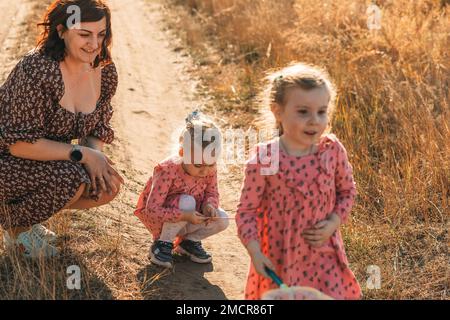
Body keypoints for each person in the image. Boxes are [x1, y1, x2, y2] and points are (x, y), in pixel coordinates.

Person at [0, 0, 123, 258]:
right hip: (7, 158)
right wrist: (84, 156)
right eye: (84, 34)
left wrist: (94, 160)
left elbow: (97, 126)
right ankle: (16, 231)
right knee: (70, 176)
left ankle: (26, 223)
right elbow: (19, 144)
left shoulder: (105, 71)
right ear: (61, 31)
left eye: (101, 34)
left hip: (45, 161)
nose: (94, 44)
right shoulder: (39, 70)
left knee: (106, 186)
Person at [235, 62, 361, 299]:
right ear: (278, 111)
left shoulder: (331, 150)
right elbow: (246, 212)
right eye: (303, 112)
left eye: (322, 111)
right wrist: (255, 252)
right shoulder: (266, 158)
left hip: (324, 255)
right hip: (280, 258)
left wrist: (333, 222)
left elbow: (347, 191)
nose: (314, 120)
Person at [134, 111, 229, 268]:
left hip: (190, 216)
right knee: (187, 201)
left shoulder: (208, 168)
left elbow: (212, 192)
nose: (205, 171)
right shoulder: (167, 170)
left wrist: (209, 205)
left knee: (222, 218)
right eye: (199, 165)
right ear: (182, 153)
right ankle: (162, 243)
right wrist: (184, 215)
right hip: (161, 219)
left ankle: (188, 243)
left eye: (211, 164)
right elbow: (152, 209)